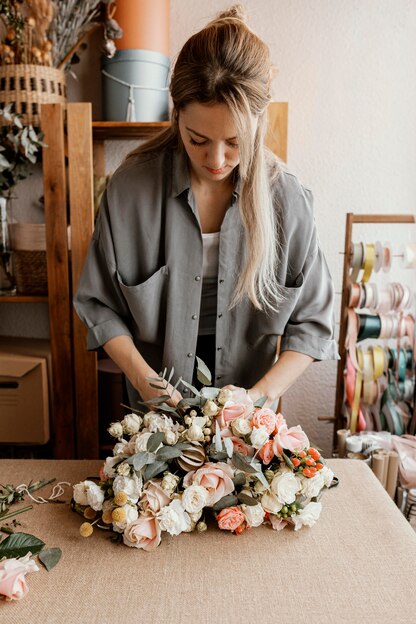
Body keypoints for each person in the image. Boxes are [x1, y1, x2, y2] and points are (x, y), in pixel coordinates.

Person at [74, 5, 338, 412]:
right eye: (198, 140)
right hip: (153, 406)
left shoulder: (288, 200)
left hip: (249, 412)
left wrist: (256, 398)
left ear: (258, 121)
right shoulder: (129, 191)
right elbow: (99, 305)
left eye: (235, 142)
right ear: (175, 113)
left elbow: (312, 324)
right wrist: (148, 386)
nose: (216, 159)